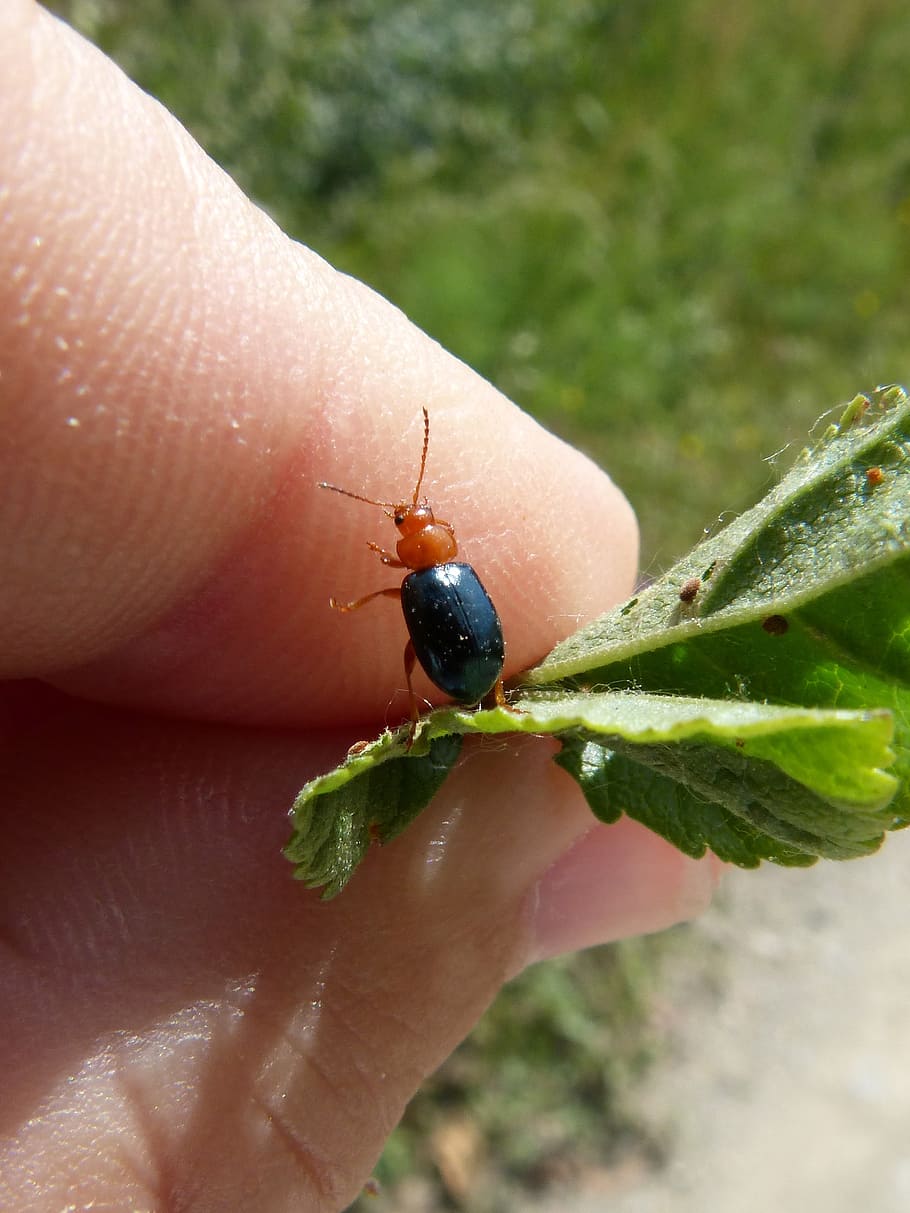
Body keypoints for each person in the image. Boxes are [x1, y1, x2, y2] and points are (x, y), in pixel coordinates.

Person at [0, 4, 720, 1208]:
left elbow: (444, 620)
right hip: (464, 648)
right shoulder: (447, 567)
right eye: (407, 532)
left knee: (438, 645)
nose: (410, 534)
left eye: (410, 527)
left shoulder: (428, 571)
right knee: (445, 644)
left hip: (459, 651)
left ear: (423, 537)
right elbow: (456, 621)